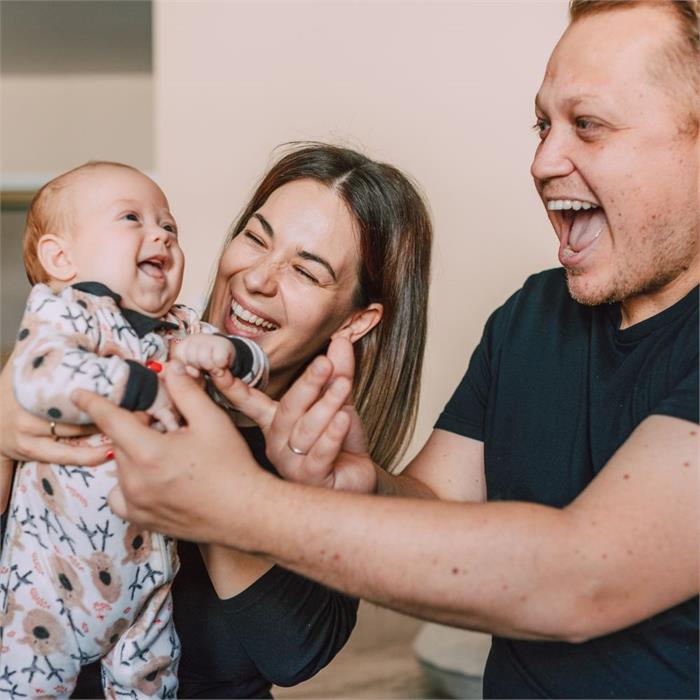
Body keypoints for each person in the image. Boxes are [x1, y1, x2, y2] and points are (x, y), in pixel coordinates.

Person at [61, 1, 698, 698]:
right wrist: (361, 482)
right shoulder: (533, 314)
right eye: (543, 125)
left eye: (589, 125)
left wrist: (232, 504)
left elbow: (582, 580)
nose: (542, 162)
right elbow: (436, 502)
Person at [0, 144, 433, 698]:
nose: (258, 279)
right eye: (255, 238)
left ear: (356, 320)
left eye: (306, 270)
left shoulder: (324, 464)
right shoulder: (76, 354)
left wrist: (216, 479)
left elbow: (294, 654)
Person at [0, 161, 268, 698]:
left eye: (170, 226)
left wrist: (232, 354)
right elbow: (39, 376)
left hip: (147, 583)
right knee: (30, 684)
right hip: (51, 585)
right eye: (132, 218)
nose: (161, 234)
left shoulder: (181, 327)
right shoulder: (65, 313)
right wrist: (137, 386)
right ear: (61, 258)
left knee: (152, 681)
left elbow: (252, 373)